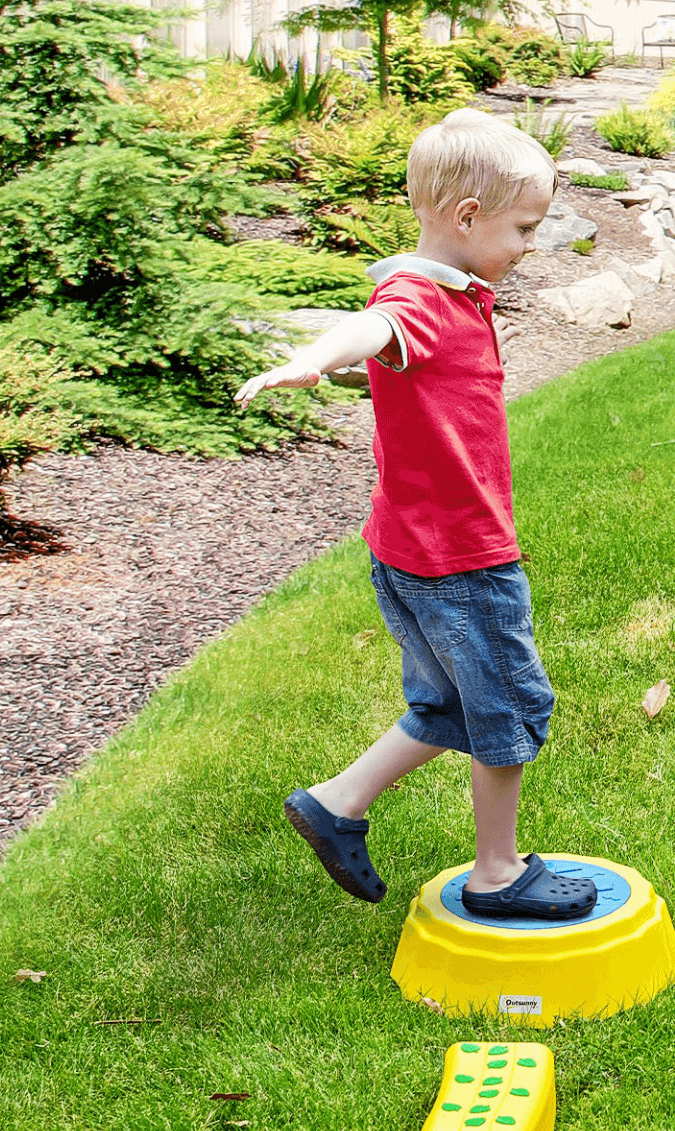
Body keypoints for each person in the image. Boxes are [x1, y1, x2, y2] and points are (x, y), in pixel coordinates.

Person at [235, 108, 595, 922]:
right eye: (525, 228)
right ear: (468, 218)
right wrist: (311, 360)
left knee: (449, 707)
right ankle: (498, 873)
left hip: (409, 550)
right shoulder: (421, 300)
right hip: (458, 559)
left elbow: (391, 338)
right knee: (511, 706)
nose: (530, 246)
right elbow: (375, 327)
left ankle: (337, 804)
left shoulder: (454, 293)